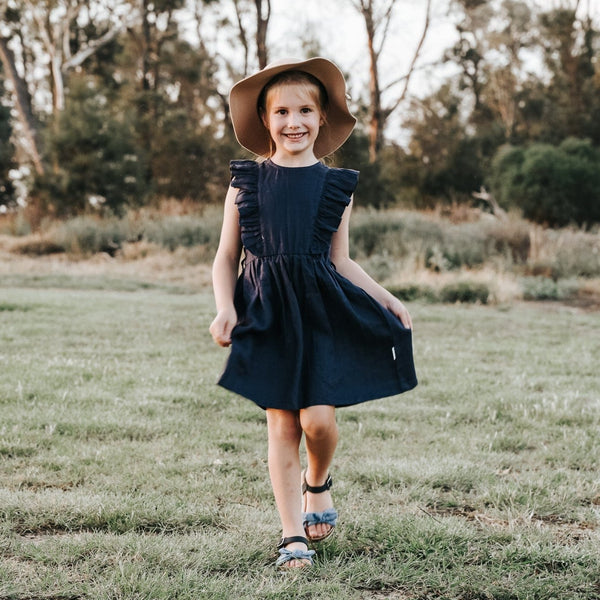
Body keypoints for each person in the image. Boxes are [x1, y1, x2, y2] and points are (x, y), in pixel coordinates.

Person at [209, 57, 417, 569]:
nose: (293, 121)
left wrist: (385, 296)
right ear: (265, 120)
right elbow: (224, 258)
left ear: (322, 118)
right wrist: (223, 309)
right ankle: (290, 534)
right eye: (281, 111)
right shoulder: (246, 183)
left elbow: (340, 259)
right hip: (265, 310)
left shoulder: (334, 187)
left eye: (305, 110)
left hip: (320, 309)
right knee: (282, 424)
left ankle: (317, 481)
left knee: (319, 422)